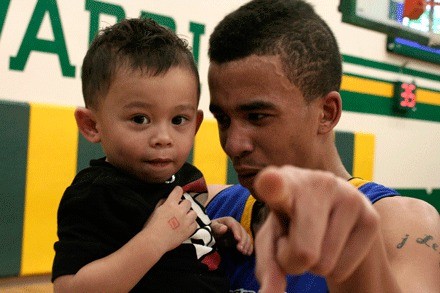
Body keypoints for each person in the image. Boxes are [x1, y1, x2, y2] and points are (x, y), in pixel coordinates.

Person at [205, 0, 440, 292]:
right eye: (223, 119)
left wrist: (359, 265)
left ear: (326, 113)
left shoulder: (405, 226)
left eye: (257, 116)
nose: (233, 144)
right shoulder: (210, 208)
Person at [51, 18, 252, 293]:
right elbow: (69, 288)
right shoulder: (97, 194)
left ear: (195, 124)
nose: (163, 138)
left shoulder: (185, 178)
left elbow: (174, 257)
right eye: (140, 119)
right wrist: (154, 240)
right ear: (92, 125)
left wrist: (209, 232)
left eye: (179, 119)